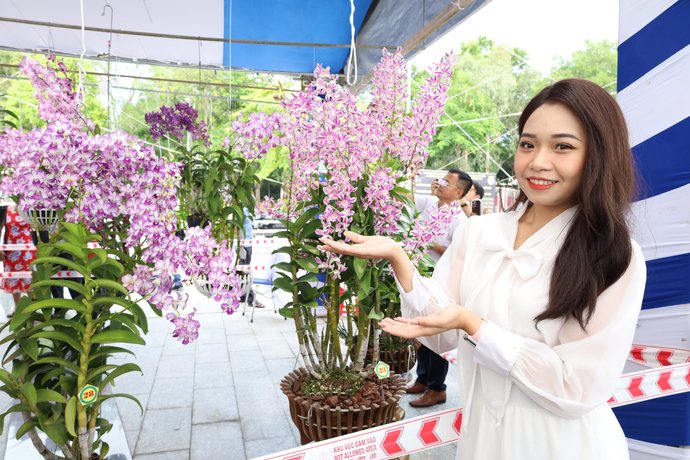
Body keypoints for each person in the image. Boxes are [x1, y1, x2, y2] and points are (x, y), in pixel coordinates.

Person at [319, 79, 646, 459]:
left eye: (563, 146)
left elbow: (576, 387)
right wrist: (400, 260)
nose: (538, 161)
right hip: (483, 440)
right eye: (528, 144)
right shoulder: (479, 232)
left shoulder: (613, 254)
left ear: (599, 155)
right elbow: (440, 336)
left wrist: (475, 326)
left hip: (562, 445)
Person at [407, 169, 471, 407]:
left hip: (442, 284)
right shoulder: (431, 202)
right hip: (421, 277)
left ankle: (437, 388)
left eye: (447, 182)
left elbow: (460, 255)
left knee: (435, 332)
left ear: (458, 192)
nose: (441, 184)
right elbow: (404, 196)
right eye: (442, 180)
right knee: (421, 330)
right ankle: (422, 379)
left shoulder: (460, 221)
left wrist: (431, 244)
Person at [0, 205, 36, 318]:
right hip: (11, 251)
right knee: (14, 279)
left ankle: (32, 308)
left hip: (29, 250)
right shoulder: (6, 209)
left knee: (31, 278)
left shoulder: (31, 207)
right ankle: (17, 307)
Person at [239, 207, 264, 308]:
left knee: (242, 272)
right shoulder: (239, 208)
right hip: (244, 244)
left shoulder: (245, 208)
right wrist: (241, 241)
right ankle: (251, 299)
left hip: (247, 243)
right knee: (244, 273)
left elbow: (252, 203)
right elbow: (235, 226)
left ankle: (243, 295)